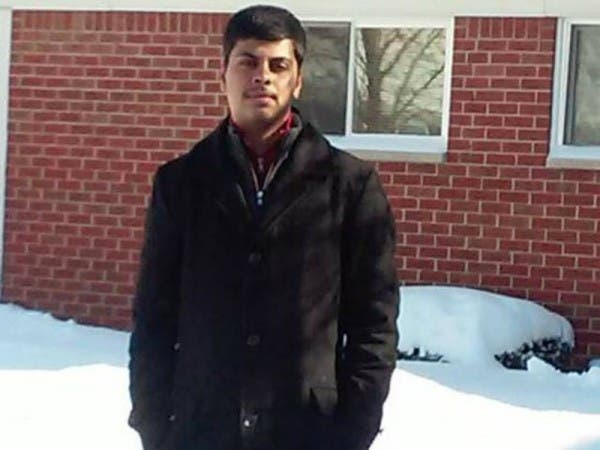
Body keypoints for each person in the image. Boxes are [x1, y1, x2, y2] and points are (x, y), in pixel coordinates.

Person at [128, 5, 399, 450]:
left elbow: (374, 325)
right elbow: (154, 317)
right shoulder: (181, 184)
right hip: (200, 432)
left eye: (278, 65)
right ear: (223, 74)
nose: (263, 77)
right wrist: (155, 426)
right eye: (248, 62)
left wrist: (352, 431)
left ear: (298, 80)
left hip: (308, 432)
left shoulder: (349, 186)